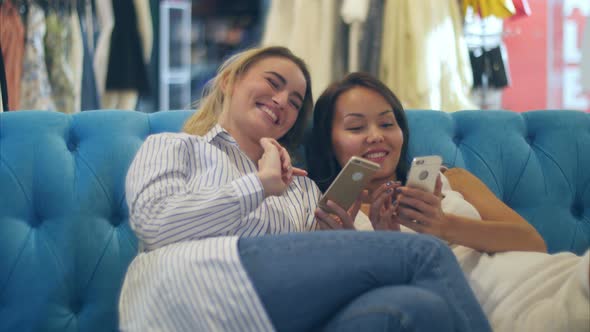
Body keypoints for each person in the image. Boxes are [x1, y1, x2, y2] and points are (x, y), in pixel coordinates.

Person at [118, 46, 492, 332]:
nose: (282, 101)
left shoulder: (302, 189)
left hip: (274, 316)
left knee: (422, 309)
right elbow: (156, 223)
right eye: (273, 83)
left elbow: (310, 272)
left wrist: (352, 242)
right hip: (188, 297)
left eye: (295, 102)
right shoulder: (173, 147)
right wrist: (258, 185)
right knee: (425, 253)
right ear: (230, 81)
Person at [307, 72, 590, 332]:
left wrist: (443, 225)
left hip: (546, 274)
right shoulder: (334, 219)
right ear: (328, 141)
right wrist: (385, 244)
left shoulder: (453, 179)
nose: (377, 135)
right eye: (356, 127)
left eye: (386, 123)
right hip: (496, 307)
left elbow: (533, 242)